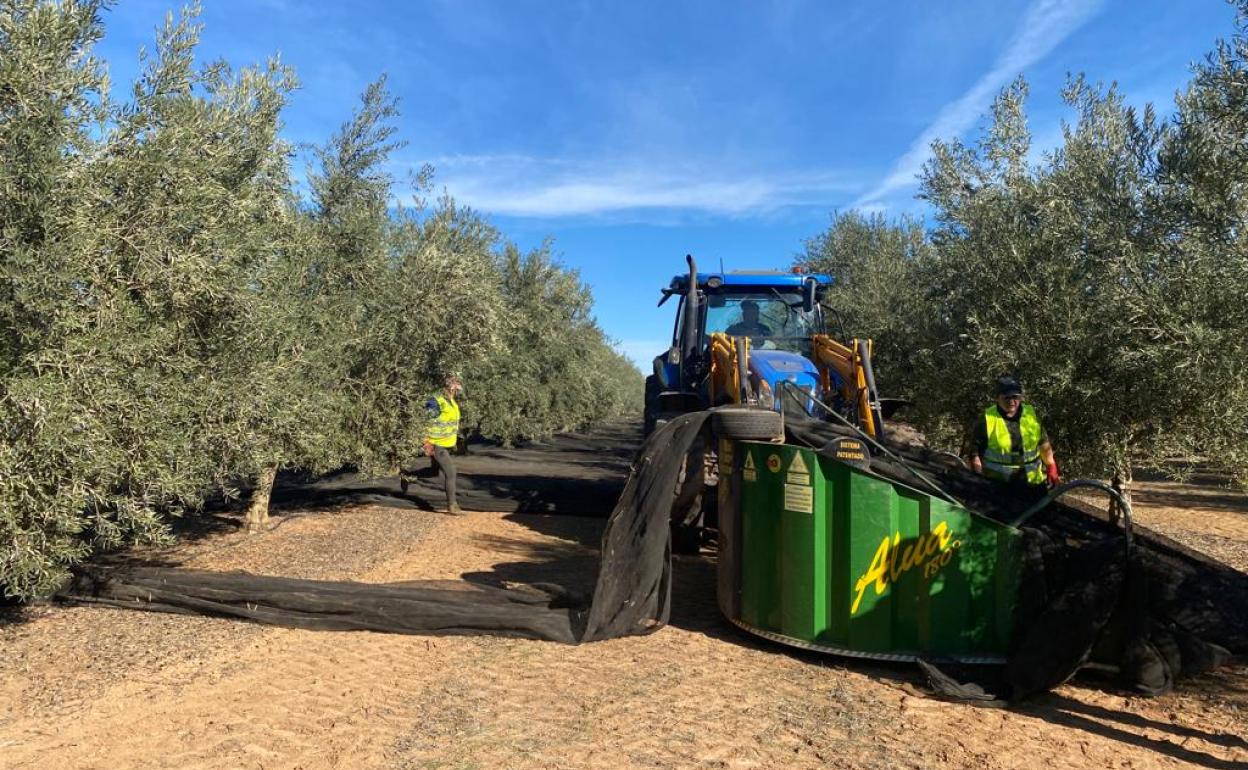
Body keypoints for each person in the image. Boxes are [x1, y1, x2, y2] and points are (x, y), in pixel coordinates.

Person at [971, 375, 1060, 489]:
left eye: (1015, 397)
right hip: (998, 485)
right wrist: (979, 478)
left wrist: (1051, 466)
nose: (1012, 401)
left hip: (1032, 484)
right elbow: (974, 453)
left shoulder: (1030, 414)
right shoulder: (987, 419)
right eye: (1006, 397)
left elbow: (1043, 443)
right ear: (997, 398)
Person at [401, 375, 463, 515]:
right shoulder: (435, 402)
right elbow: (423, 422)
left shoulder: (451, 401)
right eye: (455, 388)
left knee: (434, 472)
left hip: (445, 443)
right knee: (451, 472)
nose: (456, 391)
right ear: (449, 387)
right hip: (436, 444)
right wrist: (426, 442)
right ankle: (452, 505)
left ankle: (407, 476)